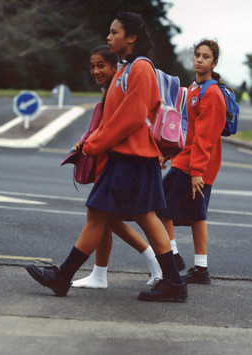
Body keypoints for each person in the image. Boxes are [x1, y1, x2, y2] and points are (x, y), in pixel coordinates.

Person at [25, 11, 187, 302]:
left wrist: (95, 144)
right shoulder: (124, 70)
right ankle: (174, 283)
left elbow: (130, 118)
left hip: (131, 158)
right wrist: (91, 140)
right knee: (137, 217)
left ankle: (63, 277)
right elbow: (110, 116)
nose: (108, 37)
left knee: (106, 214)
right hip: (128, 158)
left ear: (131, 37)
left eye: (114, 32)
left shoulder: (140, 69)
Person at [70, 45, 162, 288]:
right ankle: (99, 275)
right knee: (104, 218)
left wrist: (92, 144)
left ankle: (158, 264)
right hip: (108, 160)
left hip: (118, 161)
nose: (96, 70)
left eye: (101, 65)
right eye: (92, 66)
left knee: (111, 216)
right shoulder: (111, 89)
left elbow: (119, 125)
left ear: (115, 67)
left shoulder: (122, 84)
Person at [158, 39, 226, 285]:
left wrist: (197, 170)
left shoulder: (212, 93)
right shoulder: (194, 89)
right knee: (197, 215)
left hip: (196, 165)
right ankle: (200, 269)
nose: (200, 59)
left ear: (214, 62)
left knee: (160, 205)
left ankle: (173, 256)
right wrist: (168, 153)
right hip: (188, 160)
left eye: (206, 57)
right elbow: (188, 131)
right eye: (197, 55)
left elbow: (206, 137)